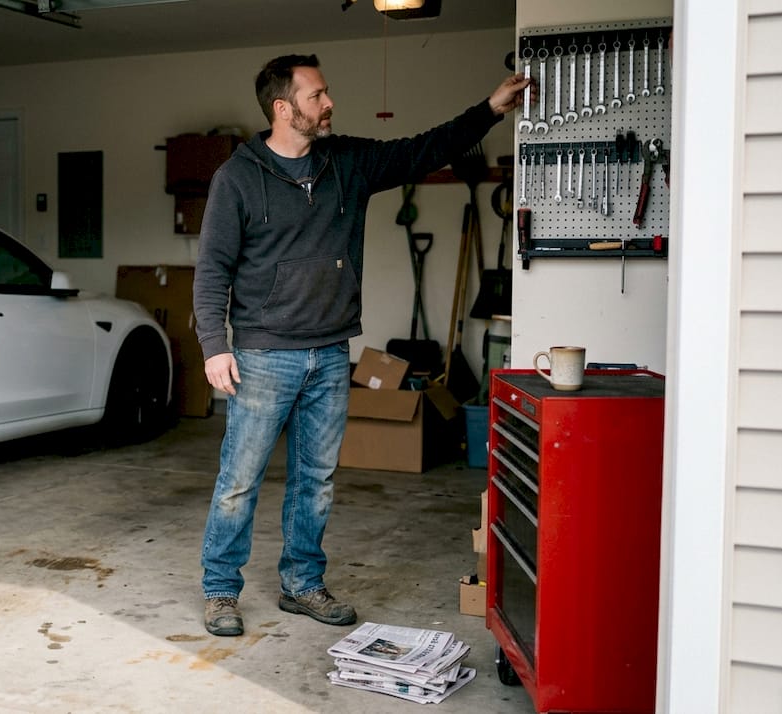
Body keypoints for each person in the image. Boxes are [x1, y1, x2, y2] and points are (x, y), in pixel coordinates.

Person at [193, 54, 530, 637]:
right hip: (263, 353)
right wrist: (213, 345)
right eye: (317, 96)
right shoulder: (238, 178)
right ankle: (221, 589)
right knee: (240, 478)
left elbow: (422, 148)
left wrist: (491, 110)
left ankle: (302, 583)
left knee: (316, 479)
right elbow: (212, 268)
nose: (328, 104)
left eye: (327, 93)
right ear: (283, 108)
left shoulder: (346, 162)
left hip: (329, 352)